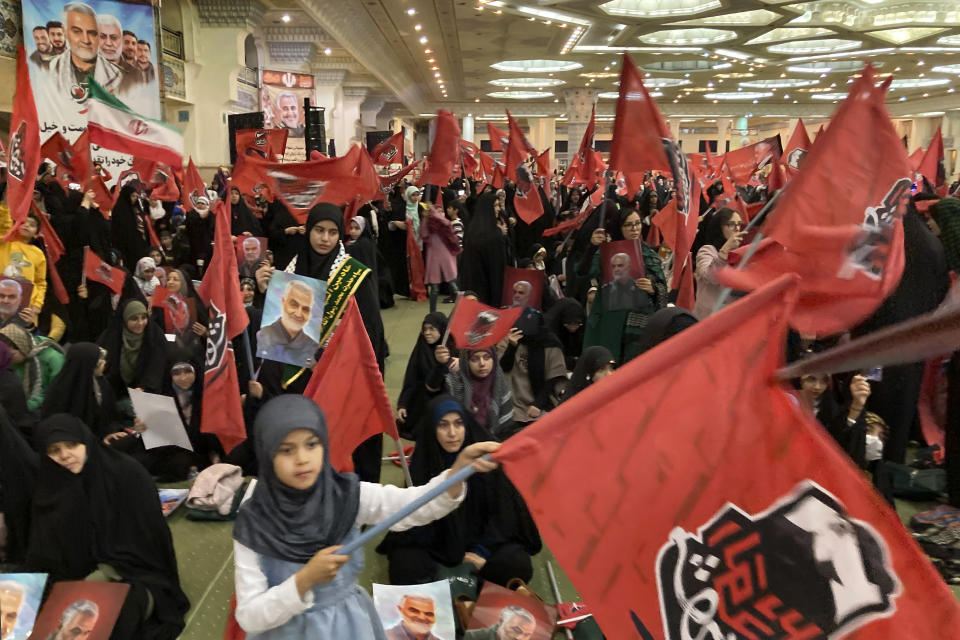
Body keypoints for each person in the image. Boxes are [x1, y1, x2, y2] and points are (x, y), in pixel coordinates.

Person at [231, 395, 499, 639]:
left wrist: (457, 472)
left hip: (349, 626)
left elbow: (411, 506)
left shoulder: (347, 495)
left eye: (311, 444)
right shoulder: (255, 521)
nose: (302, 459)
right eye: (286, 450)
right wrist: (304, 580)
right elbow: (250, 617)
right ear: (267, 454)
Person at [27, 415, 189, 639]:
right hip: (71, 580)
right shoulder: (52, 484)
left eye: (71, 445)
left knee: (105, 623)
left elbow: (147, 545)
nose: (64, 455)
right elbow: (44, 552)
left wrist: (103, 574)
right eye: (54, 450)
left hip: (131, 575)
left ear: (86, 441)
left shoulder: (125, 475)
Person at [378, 397, 540, 588]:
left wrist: (481, 553)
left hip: (482, 542)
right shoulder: (425, 462)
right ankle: (465, 576)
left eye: (458, 424)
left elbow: (503, 516)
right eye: (443, 425)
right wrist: (452, 552)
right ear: (432, 430)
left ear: (467, 425)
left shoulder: (485, 461)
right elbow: (418, 522)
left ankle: (466, 574)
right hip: (438, 545)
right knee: (404, 563)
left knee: (517, 563)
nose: (452, 434)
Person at [581, 207, 667, 364]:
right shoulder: (607, 252)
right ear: (619, 227)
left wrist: (652, 288)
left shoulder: (649, 254)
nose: (634, 228)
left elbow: (662, 288)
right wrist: (592, 246)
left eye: (637, 223)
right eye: (628, 225)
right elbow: (583, 272)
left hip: (639, 325)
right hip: (610, 321)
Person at [498, 312, 566, 434]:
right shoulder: (511, 338)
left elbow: (553, 378)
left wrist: (538, 404)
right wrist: (512, 347)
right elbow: (502, 368)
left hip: (540, 401)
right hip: (514, 400)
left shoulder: (550, 344)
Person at [44, 2, 124, 104]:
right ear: (65, 32)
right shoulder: (50, 70)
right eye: (77, 31)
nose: (86, 40)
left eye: (92, 33)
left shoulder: (116, 75)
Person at [430, 346, 513, 438]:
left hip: (495, 445)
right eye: (475, 359)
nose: (482, 363)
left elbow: (506, 427)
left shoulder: (500, 384)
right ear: (466, 362)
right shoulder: (455, 383)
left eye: (487, 357)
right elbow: (431, 389)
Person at [41, 342, 118, 438]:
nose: (104, 363)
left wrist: (110, 433)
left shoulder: (101, 382)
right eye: (100, 361)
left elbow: (110, 416)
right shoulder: (62, 392)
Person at [97, 299, 168, 396]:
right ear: (125, 319)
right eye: (134, 319)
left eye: (144, 317)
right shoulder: (111, 336)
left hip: (145, 393)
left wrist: (144, 387)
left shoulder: (155, 336)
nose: (140, 323)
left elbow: (157, 367)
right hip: (115, 393)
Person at [397, 312, 449, 440]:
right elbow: (411, 378)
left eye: (432, 329)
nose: (427, 332)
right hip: (421, 400)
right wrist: (402, 404)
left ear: (442, 330)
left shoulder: (450, 350)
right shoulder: (421, 348)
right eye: (425, 329)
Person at [0, 323, 65, 413]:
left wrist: (26, 406)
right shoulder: (15, 360)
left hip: (45, 408)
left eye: (11, 355)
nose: (8, 359)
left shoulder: (53, 358)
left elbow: (57, 392)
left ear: (21, 347)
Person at [693, 208, 744, 319]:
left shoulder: (741, 254)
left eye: (739, 224)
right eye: (731, 224)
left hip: (731, 320)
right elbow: (710, 276)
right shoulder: (707, 250)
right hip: (708, 320)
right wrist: (724, 251)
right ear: (719, 228)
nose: (737, 229)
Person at [257, 279, 320, 368]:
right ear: (283, 301)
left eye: (305, 309)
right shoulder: (262, 335)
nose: (298, 314)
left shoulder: (312, 347)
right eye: (294, 305)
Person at [460, 193, 508, 307]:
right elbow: (497, 270)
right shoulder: (494, 235)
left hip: (472, 291)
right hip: (489, 292)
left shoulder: (472, 229)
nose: (498, 209)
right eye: (495, 206)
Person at [0, 205, 47, 314]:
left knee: (17, 331)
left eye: (32, 225)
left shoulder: (38, 253)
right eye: (23, 222)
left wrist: (37, 304)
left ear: (37, 234)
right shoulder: (5, 243)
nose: (26, 225)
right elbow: (3, 224)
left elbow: (40, 282)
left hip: (25, 306)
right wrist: (5, 204)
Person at [464, 606, 537, 640]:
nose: (519, 638)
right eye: (516, 630)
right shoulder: (470, 637)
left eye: (527, 635)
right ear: (501, 621)